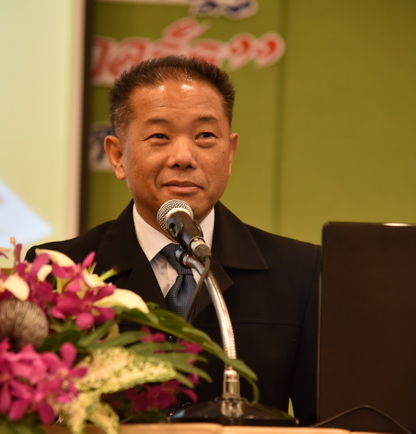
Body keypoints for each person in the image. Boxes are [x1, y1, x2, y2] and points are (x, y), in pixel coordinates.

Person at [26, 56, 320, 425]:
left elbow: (328, 423)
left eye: (205, 136)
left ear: (230, 153)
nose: (183, 157)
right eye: (160, 137)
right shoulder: (57, 270)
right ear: (117, 156)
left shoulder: (298, 272)